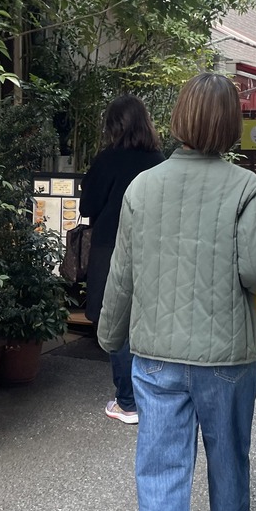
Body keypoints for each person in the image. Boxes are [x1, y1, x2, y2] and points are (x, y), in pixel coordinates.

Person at [98, 72, 256, 511]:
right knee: (228, 456)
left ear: (178, 119)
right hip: (227, 355)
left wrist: (109, 335)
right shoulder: (247, 188)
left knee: (161, 472)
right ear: (232, 125)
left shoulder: (142, 188)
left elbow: (122, 274)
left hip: (155, 356)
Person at [80, 95, 165, 425]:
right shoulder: (159, 161)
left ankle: (127, 402)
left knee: (117, 320)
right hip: (153, 248)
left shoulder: (107, 160)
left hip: (110, 247)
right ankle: (149, 395)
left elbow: (88, 206)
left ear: (114, 125)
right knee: (146, 320)